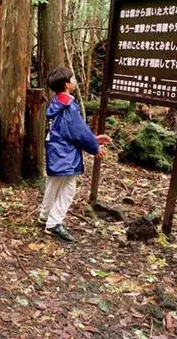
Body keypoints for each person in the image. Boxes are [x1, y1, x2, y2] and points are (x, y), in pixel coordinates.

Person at [38, 67, 112, 242]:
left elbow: (71, 129)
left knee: (53, 183)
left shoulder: (57, 103)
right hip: (65, 153)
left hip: (56, 149)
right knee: (68, 188)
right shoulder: (69, 107)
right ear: (66, 85)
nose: (75, 80)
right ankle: (54, 223)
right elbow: (78, 132)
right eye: (72, 78)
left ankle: (45, 216)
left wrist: (94, 138)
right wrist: (95, 147)